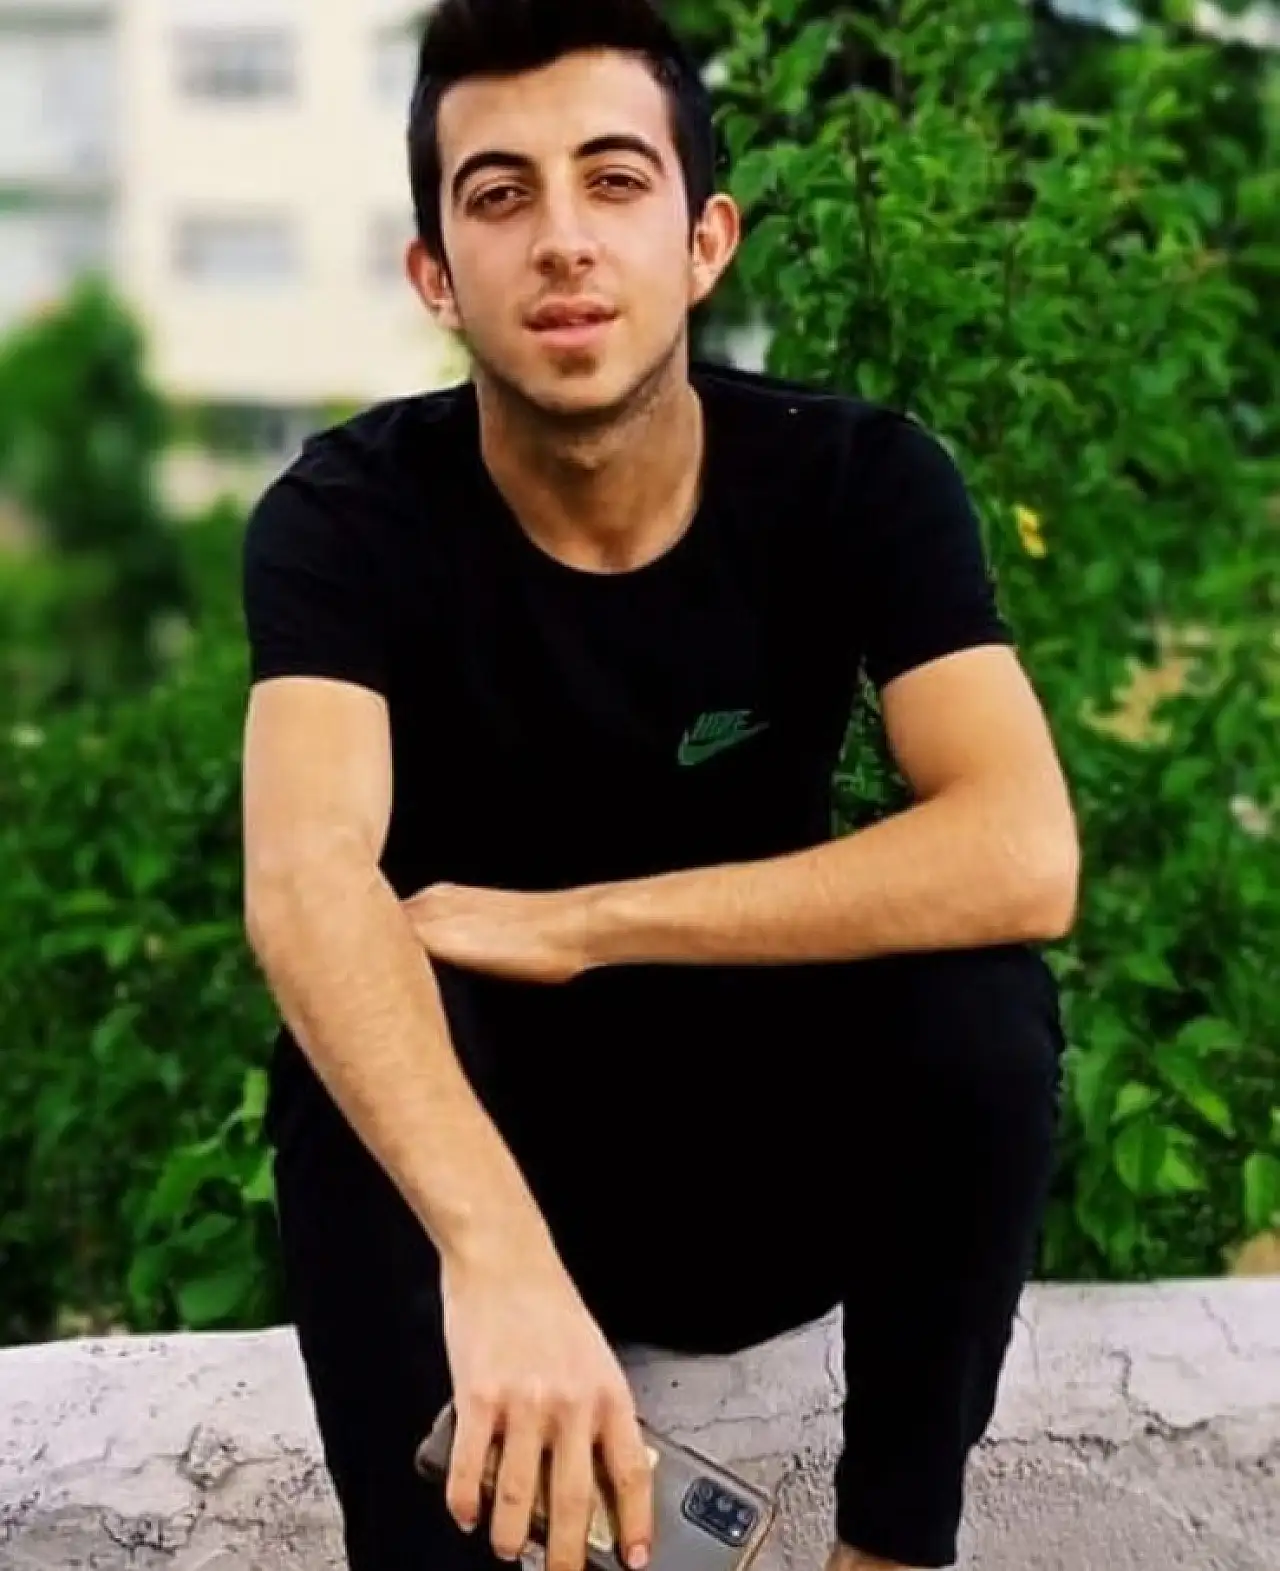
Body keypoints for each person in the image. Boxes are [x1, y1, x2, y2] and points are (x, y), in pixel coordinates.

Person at [239, 2, 1080, 1569]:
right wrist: (496, 1253)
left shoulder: (856, 478)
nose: (562, 239)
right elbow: (301, 876)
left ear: (705, 243)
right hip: (487, 1174)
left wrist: (584, 922)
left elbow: (1021, 850)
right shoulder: (346, 518)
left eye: (614, 180)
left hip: (770, 1175)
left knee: (982, 1006)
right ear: (436, 274)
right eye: (500, 194)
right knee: (343, 1039)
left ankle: (892, 1554)